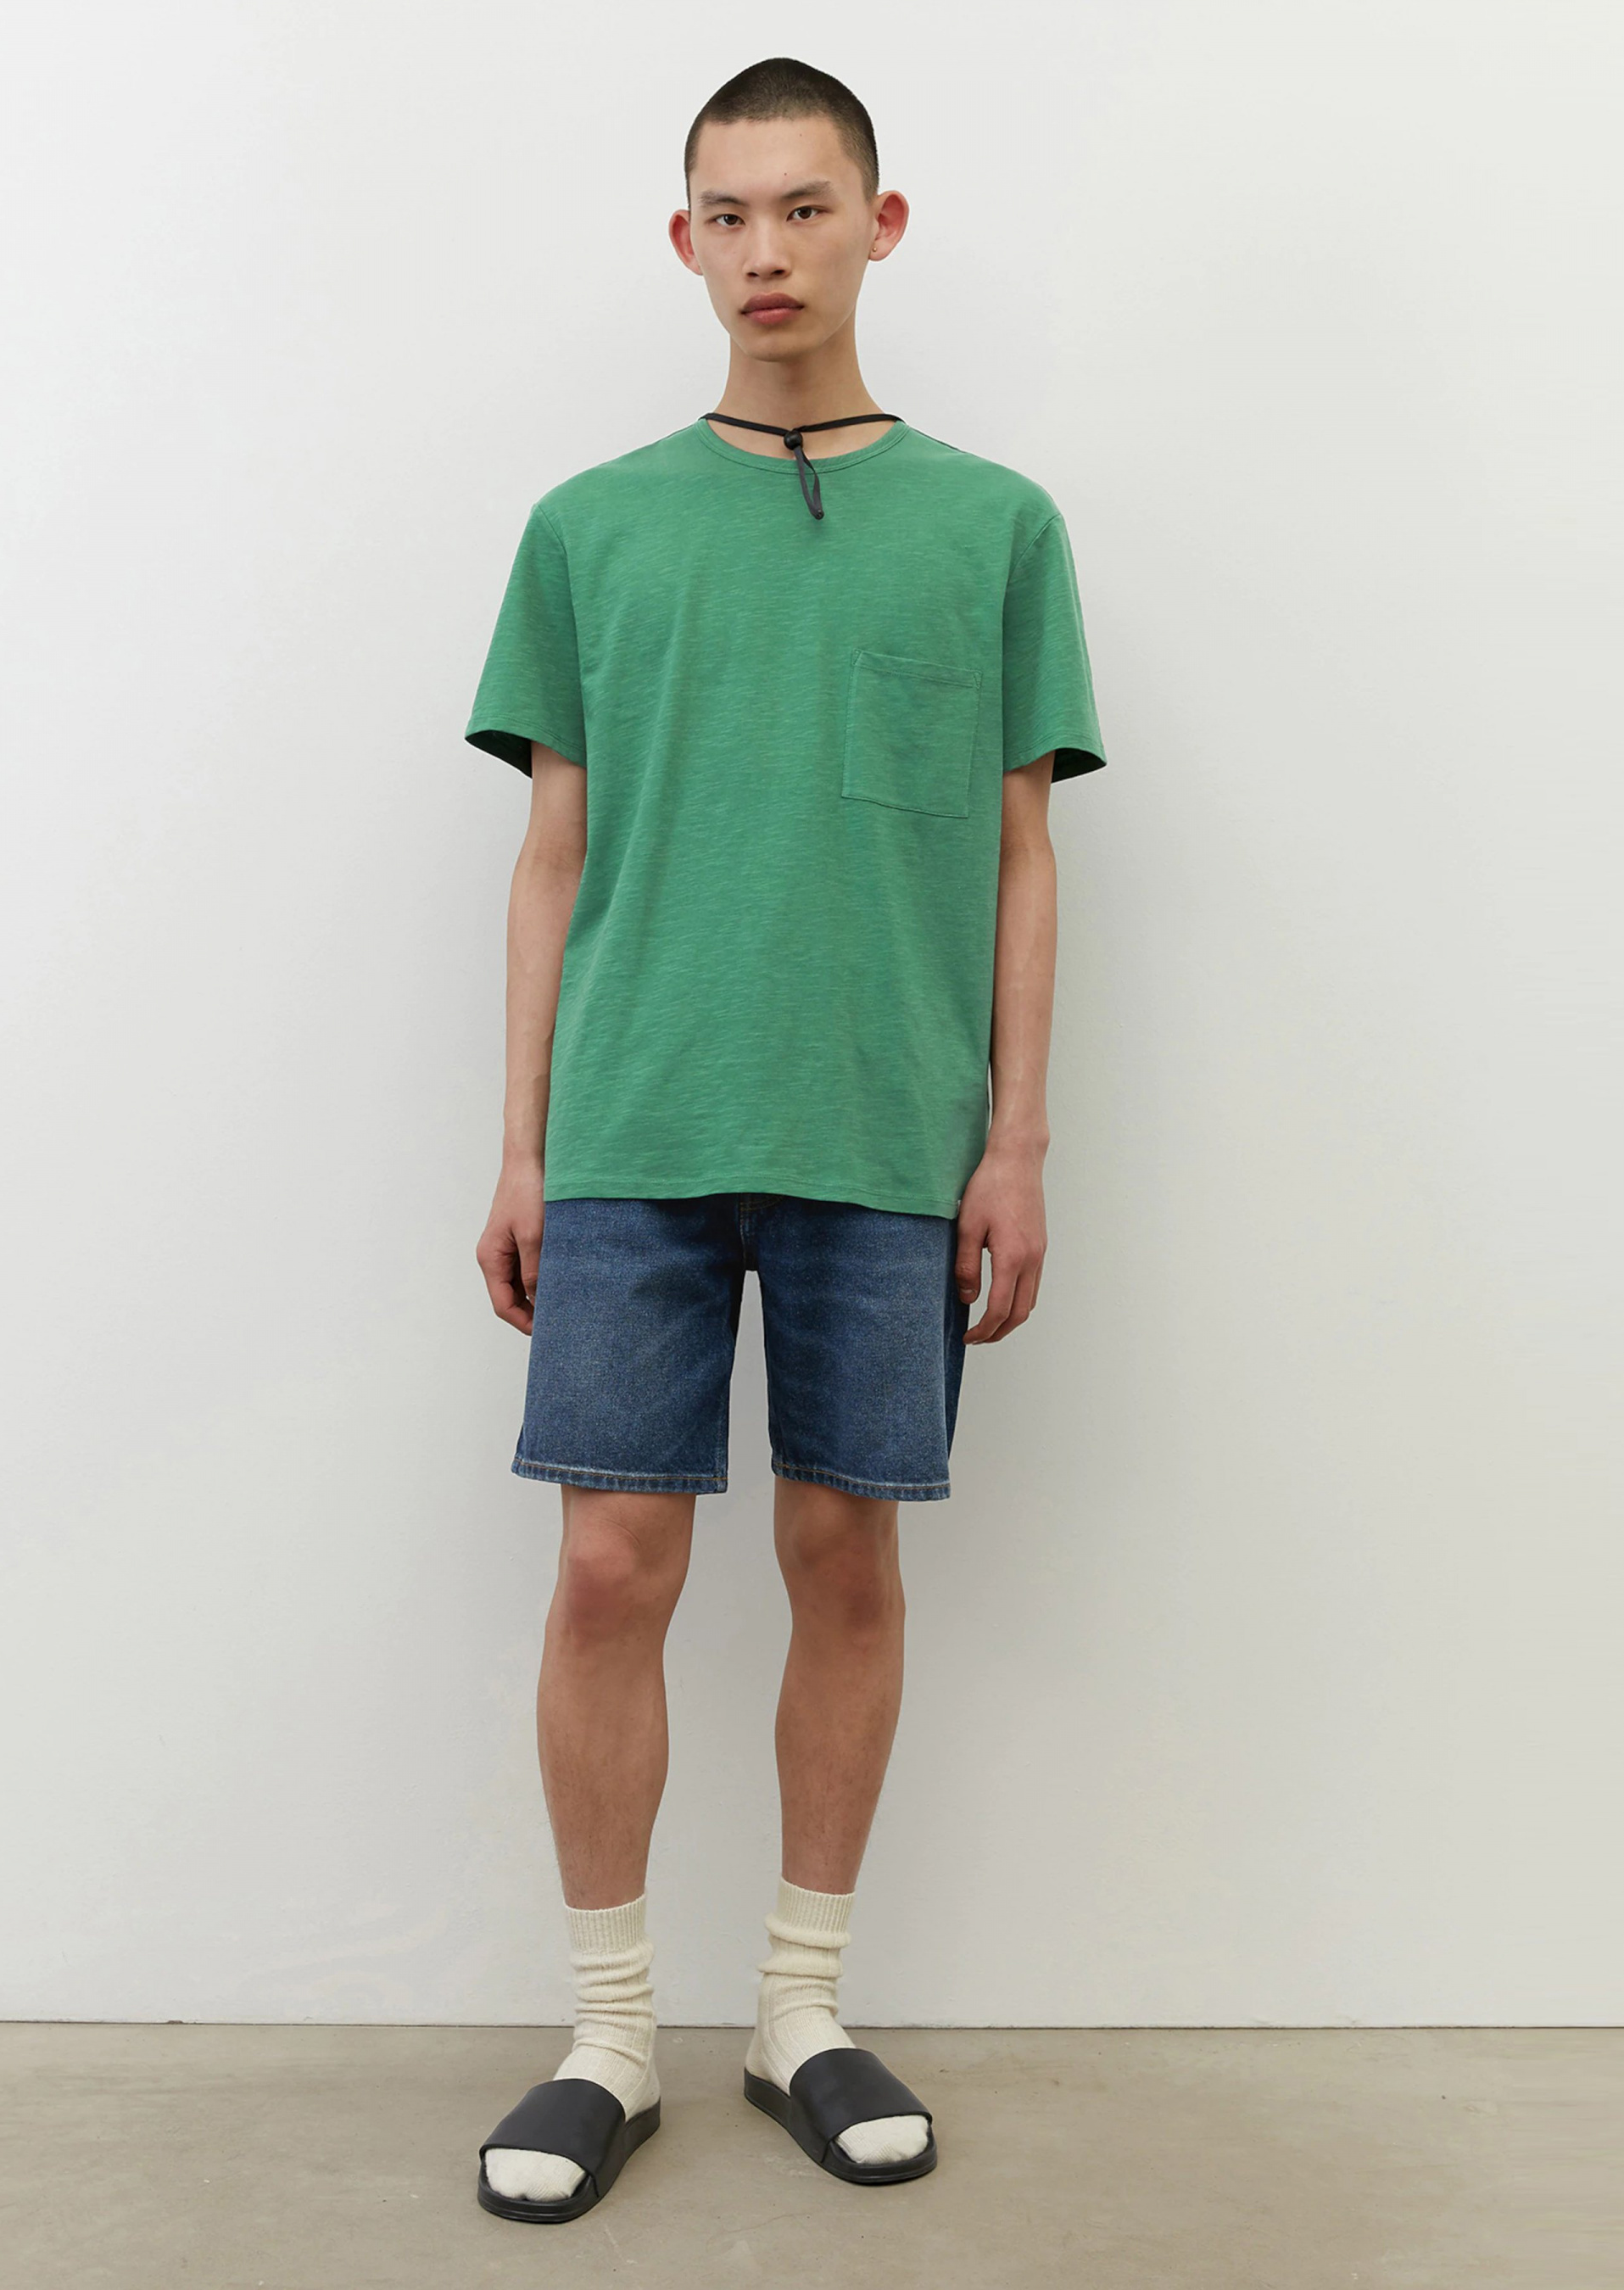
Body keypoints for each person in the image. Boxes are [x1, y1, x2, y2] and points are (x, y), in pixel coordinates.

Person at [465, 56, 1107, 2225]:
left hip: (883, 1130)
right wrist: (520, 1144)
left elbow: (1019, 856)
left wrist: (1015, 1141)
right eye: (727, 215)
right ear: (683, 240)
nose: (765, 252)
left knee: (844, 1557)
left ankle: (799, 2014)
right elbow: (552, 856)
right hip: (636, 1125)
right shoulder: (590, 526)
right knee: (607, 1568)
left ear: (877, 224)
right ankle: (606, 2036)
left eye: (803, 208)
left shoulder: (994, 526)